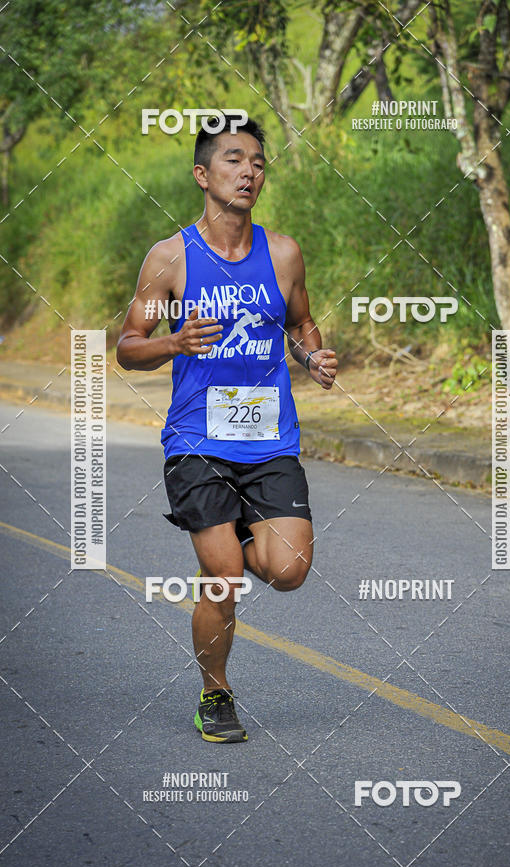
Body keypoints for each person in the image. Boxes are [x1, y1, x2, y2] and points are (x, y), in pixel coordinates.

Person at [116, 114, 338, 743]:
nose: (248, 171)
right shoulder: (170, 258)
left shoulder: (283, 251)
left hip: (269, 440)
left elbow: (300, 323)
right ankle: (216, 693)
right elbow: (129, 346)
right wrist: (174, 343)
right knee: (223, 579)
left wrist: (311, 356)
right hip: (196, 441)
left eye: (258, 162)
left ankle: (225, 550)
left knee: (291, 569)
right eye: (234, 159)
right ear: (202, 174)